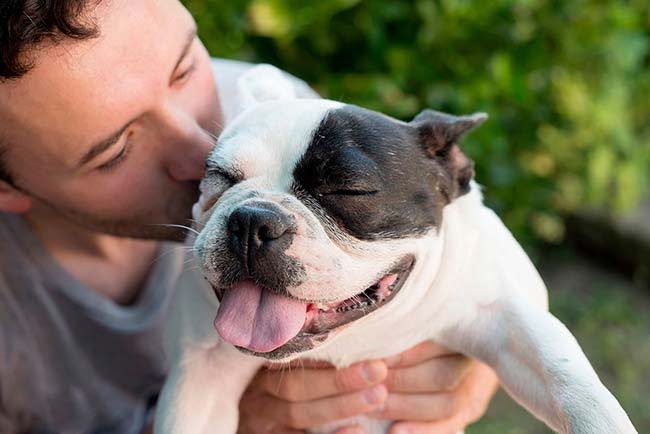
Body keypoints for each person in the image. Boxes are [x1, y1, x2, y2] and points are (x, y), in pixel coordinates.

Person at [0, 1, 499, 433]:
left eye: (186, 69)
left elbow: (470, 267)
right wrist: (236, 418)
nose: (204, 151)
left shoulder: (278, 111)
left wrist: (477, 361)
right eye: (114, 152)